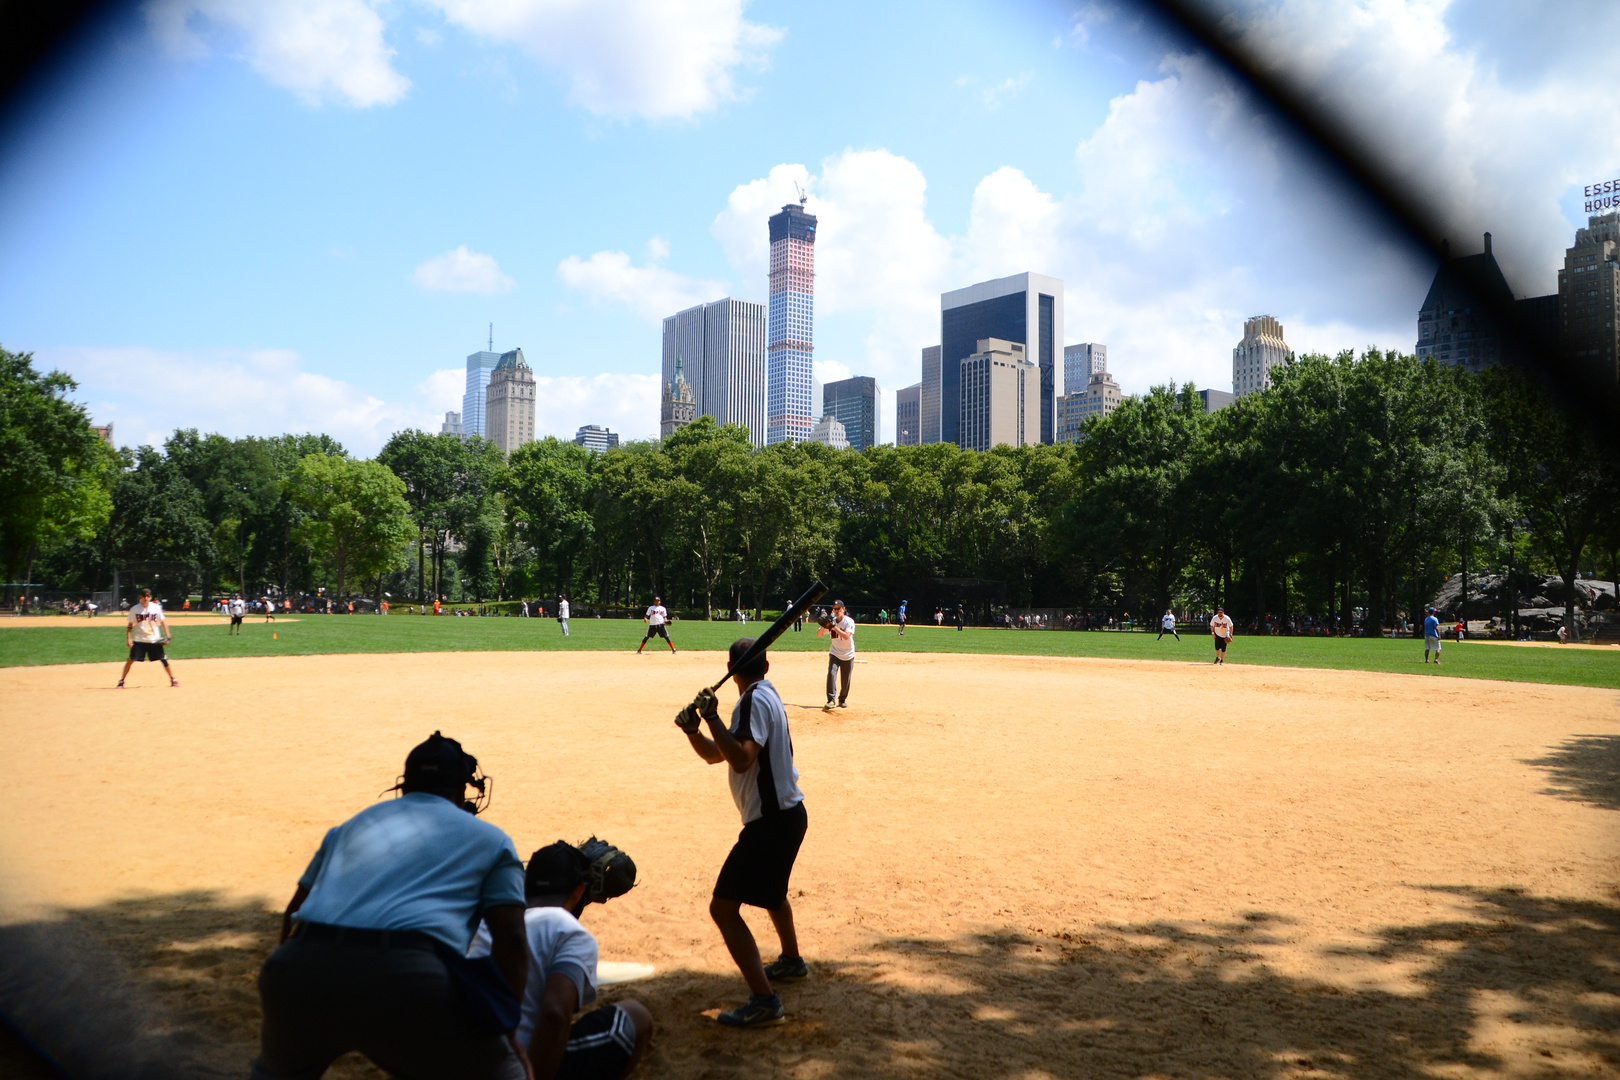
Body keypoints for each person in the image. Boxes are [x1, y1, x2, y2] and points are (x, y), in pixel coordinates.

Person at [252, 733, 529, 1080]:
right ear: (463, 789)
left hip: (299, 962)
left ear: (404, 785)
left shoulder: (350, 826)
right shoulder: (492, 839)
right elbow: (513, 939)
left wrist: (295, 981)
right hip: (406, 976)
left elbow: (295, 909)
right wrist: (507, 1029)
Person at [676, 638, 808, 1028]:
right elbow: (720, 752)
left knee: (723, 907)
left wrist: (713, 717)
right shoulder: (765, 694)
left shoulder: (751, 701)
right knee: (771, 893)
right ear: (766, 667)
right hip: (788, 816)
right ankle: (791, 961)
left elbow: (740, 759)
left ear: (730, 667)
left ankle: (765, 1002)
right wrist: (693, 730)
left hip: (770, 823)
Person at [469, 841, 651, 1080]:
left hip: (461, 1056)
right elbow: (555, 1015)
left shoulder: (485, 919)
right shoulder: (568, 930)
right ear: (578, 891)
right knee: (638, 1016)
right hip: (512, 1066)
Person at [119, 587, 178, 688]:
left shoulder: (156, 607)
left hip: (154, 639)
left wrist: (168, 635)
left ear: (150, 597)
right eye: (144, 596)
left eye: (148, 596)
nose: (146, 598)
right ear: (140, 597)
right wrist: (128, 638)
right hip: (139, 639)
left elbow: (163, 621)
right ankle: (121, 681)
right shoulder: (135, 609)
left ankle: (173, 679)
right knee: (131, 659)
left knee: (163, 659)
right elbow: (130, 625)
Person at [816, 600, 855, 709]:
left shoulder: (849, 622)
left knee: (845, 678)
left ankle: (842, 700)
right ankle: (831, 699)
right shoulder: (831, 622)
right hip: (834, 653)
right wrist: (825, 625)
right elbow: (818, 635)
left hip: (848, 654)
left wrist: (833, 627)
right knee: (831, 674)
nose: (837, 611)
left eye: (839, 608)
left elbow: (846, 636)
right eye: (835, 609)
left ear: (844, 609)